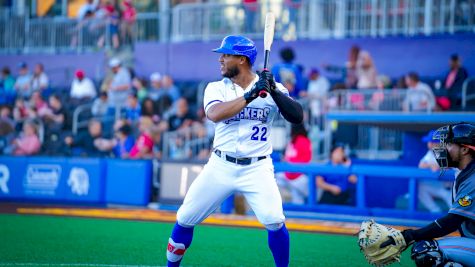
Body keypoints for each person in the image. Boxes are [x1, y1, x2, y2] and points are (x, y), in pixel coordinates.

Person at [165, 35, 303, 267]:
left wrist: (274, 92)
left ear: (241, 59)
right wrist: (251, 94)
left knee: (275, 220)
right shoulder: (216, 88)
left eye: (226, 55)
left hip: (257, 167)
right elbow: (215, 114)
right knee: (185, 218)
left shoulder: (273, 87)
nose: (220, 59)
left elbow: (297, 116)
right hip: (221, 165)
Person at [381, 122, 475, 266]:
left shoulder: (472, 177)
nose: (444, 148)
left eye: (449, 144)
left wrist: (410, 235)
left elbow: (451, 222)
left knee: (426, 249)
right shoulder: (465, 172)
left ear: (464, 150)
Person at [276, 123, 312, 204]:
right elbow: (286, 157)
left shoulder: (303, 140)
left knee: (298, 198)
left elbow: (306, 160)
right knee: (274, 180)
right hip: (288, 175)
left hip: (299, 177)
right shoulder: (292, 141)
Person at [418, 130, 452, 213]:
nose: (430, 144)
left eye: (433, 142)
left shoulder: (445, 151)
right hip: (435, 186)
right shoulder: (430, 153)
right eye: (430, 142)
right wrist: (430, 165)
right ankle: (435, 210)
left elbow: (447, 166)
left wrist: (439, 166)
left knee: (454, 206)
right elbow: (421, 165)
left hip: (448, 188)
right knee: (420, 189)